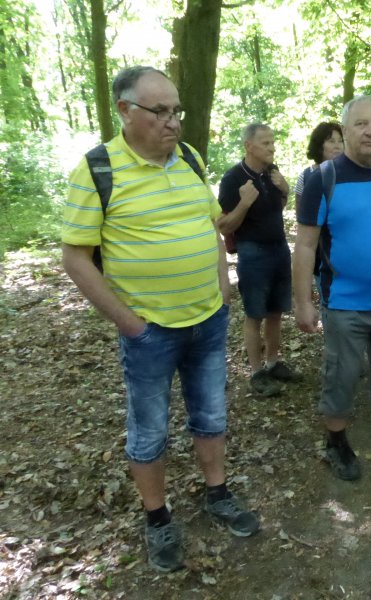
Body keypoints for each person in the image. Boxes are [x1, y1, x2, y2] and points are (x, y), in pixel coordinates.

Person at [61, 66, 258, 573]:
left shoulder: (189, 158)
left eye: (177, 111)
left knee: (211, 416)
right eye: (160, 111)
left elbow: (209, 226)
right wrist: (129, 323)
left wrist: (223, 284)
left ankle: (217, 493)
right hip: (150, 332)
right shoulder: (97, 170)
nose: (173, 122)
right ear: (126, 111)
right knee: (149, 431)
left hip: (208, 320)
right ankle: (157, 518)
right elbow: (76, 258)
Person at [293, 95, 371, 481]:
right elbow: (304, 244)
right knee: (343, 373)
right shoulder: (322, 178)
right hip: (345, 301)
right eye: (361, 124)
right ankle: (336, 440)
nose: (370, 131)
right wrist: (303, 302)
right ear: (346, 129)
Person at [217, 124, 300, 397]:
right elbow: (225, 226)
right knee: (255, 314)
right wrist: (243, 204)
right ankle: (256, 373)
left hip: (278, 248)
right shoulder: (232, 180)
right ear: (249, 146)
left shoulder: (271, 174)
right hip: (252, 252)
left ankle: (274, 363)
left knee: (276, 312)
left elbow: (276, 208)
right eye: (265, 143)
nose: (272, 147)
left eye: (272, 142)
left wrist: (285, 190)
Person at [294, 121, 344, 293]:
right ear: (319, 145)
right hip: (319, 252)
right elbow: (301, 216)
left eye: (340, 140)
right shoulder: (307, 176)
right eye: (331, 141)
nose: (337, 146)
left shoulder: (351, 174)